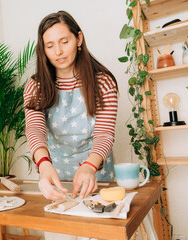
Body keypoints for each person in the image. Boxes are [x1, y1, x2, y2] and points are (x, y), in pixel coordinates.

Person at [24, 10, 118, 202]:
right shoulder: (36, 86)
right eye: (49, 46)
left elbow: (104, 133)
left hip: (95, 173)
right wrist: (43, 164)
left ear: (78, 39)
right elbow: (35, 129)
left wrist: (89, 167)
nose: (58, 52)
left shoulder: (103, 82)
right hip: (53, 174)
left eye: (64, 42)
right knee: (59, 230)